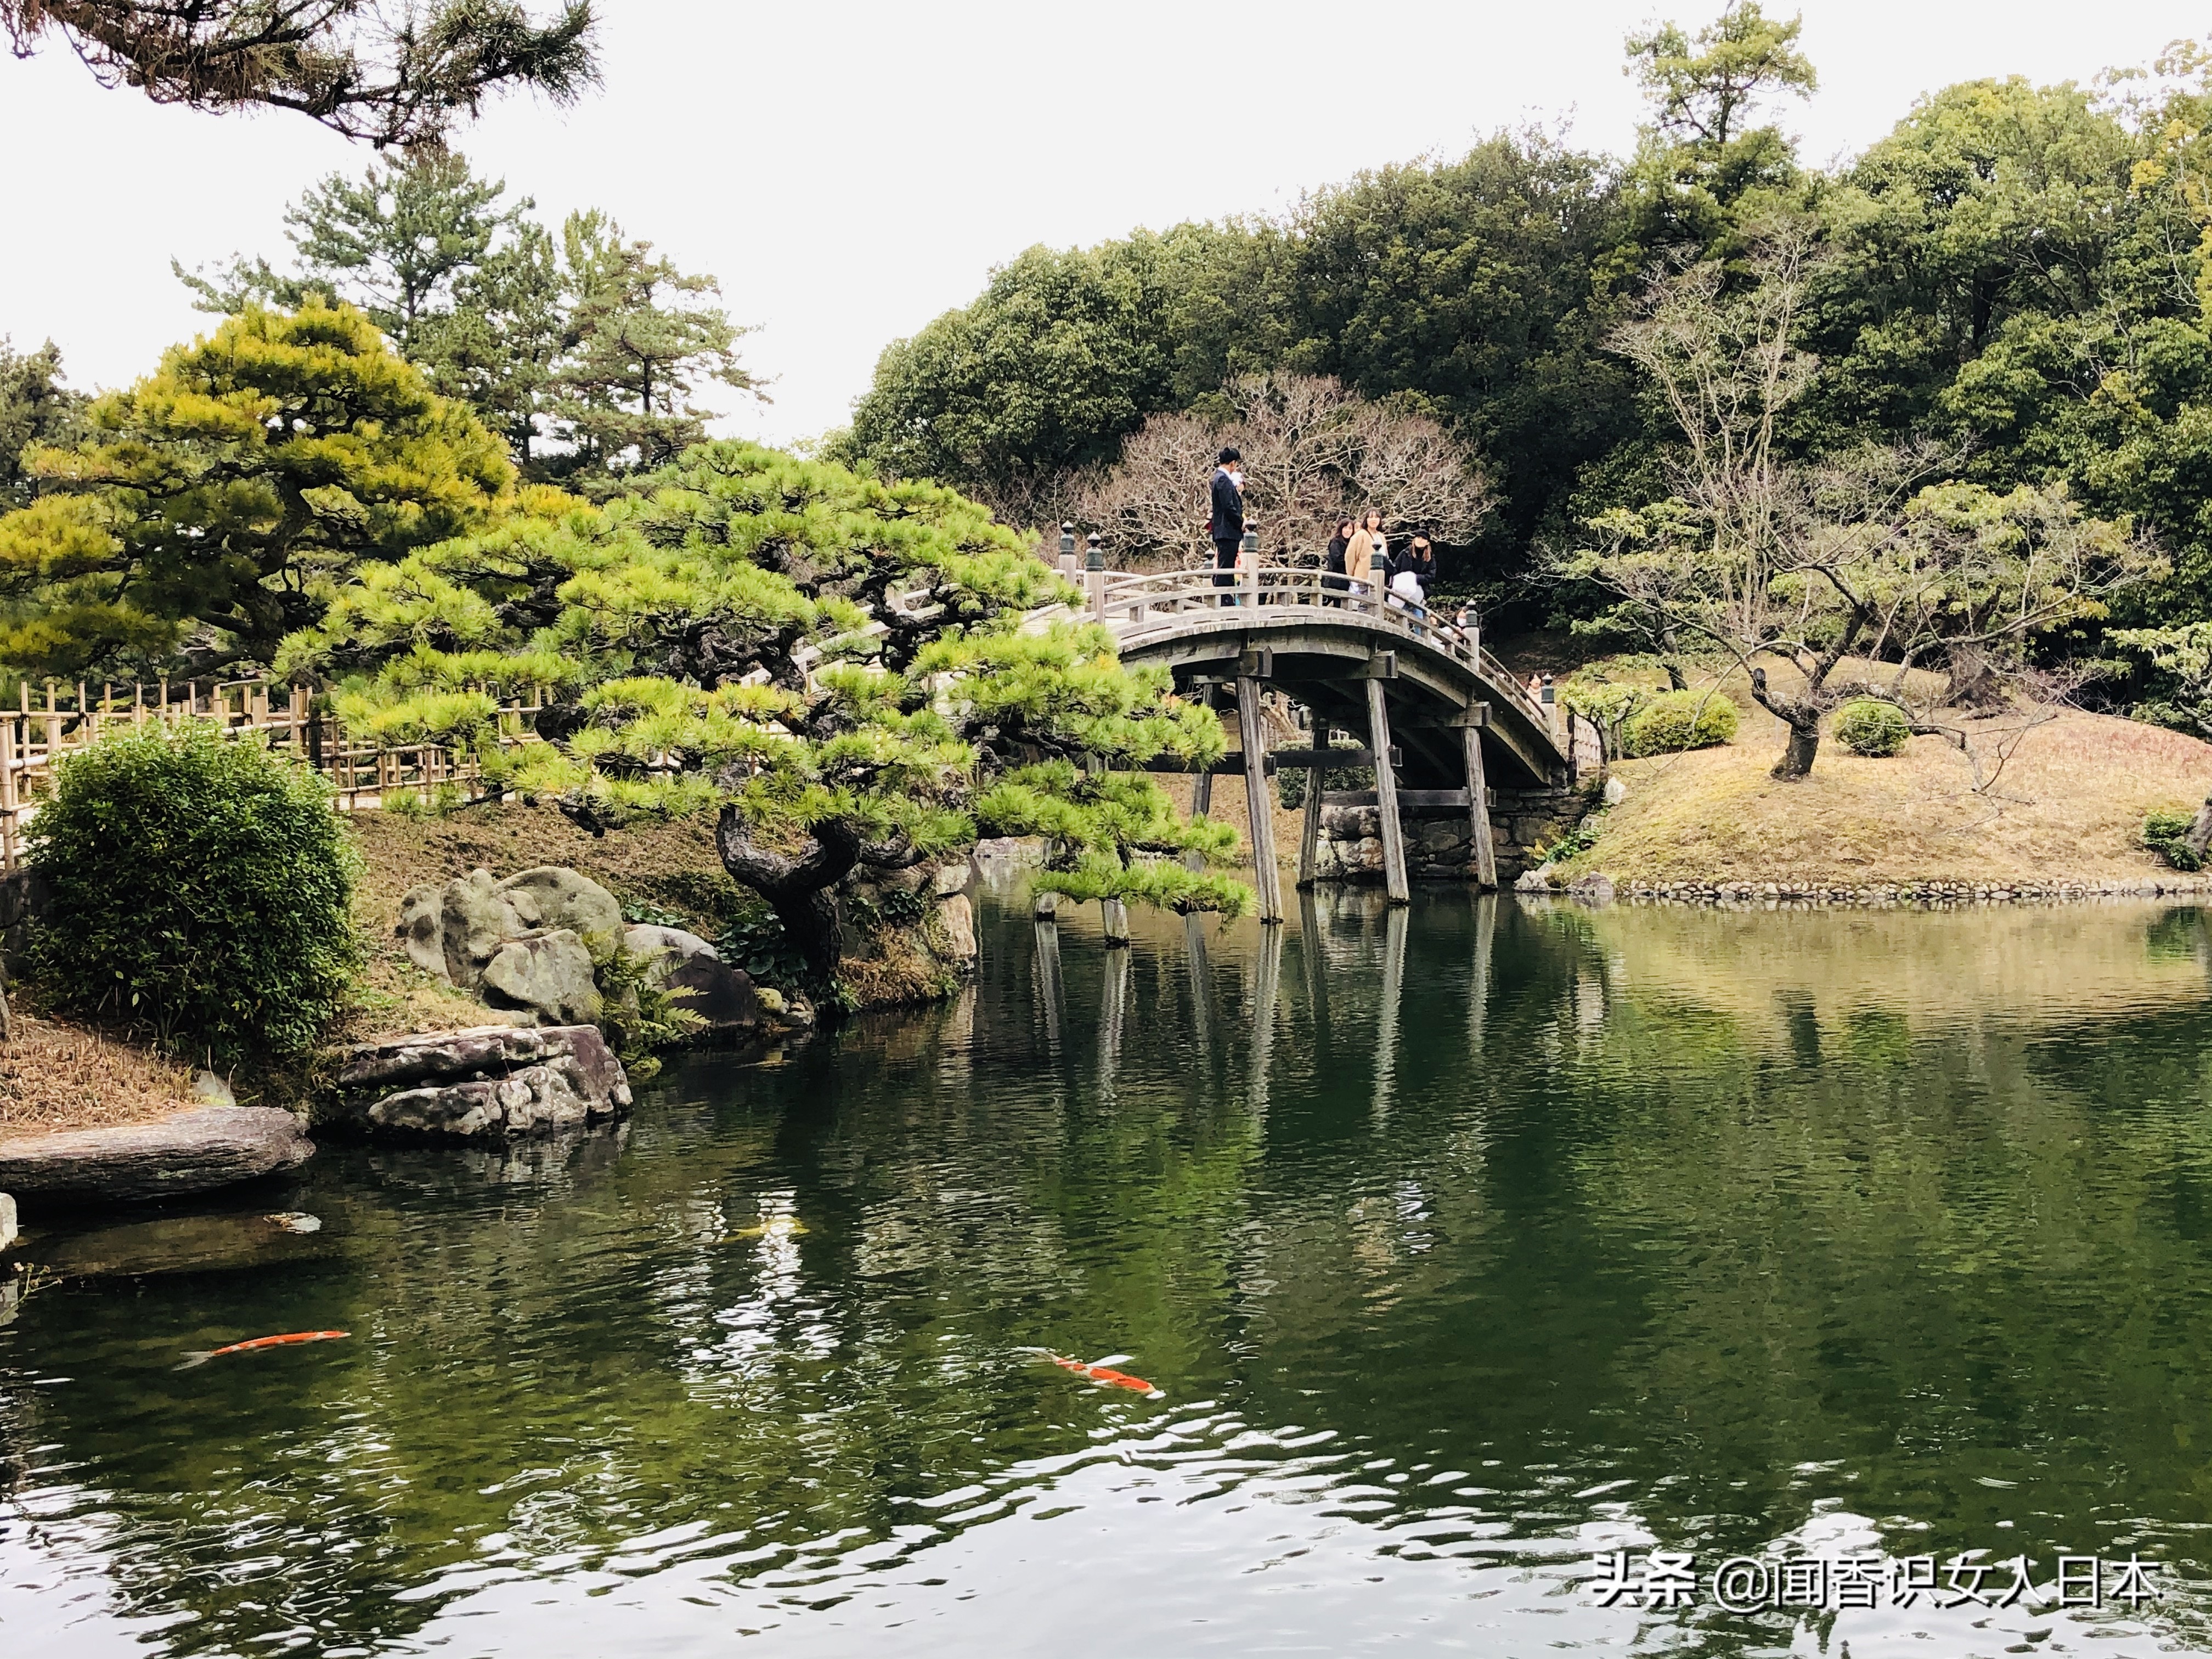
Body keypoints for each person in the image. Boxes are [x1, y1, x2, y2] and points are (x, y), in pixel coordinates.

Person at [1209, 447, 1244, 606]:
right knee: (1226, 566)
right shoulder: (1223, 480)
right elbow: (1229, 507)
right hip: (1227, 530)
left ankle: (1226, 598)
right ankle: (1223, 599)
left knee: (1227, 565)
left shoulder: (1219, 479)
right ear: (1232, 463)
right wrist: (1240, 522)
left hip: (1225, 530)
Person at [1346, 512, 1381, 607]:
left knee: (1374, 606)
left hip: (1379, 580)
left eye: (1376, 517)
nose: (1374, 520)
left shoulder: (1381, 536)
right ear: (1366, 520)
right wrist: (1352, 575)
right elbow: (1350, 556)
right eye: (1370, 517)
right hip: (1362, 577)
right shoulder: (1360, 535)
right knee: (1361, 605)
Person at [1322, 518, 1352, 606]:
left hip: (1345, 579)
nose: (1348, 531)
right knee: (1337, 603)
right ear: (1341, 529)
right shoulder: (1336, 542)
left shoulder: (1351, 543)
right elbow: (1337, 559)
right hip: (1335, 579)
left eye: (1350, 528)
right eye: (1345, 528)